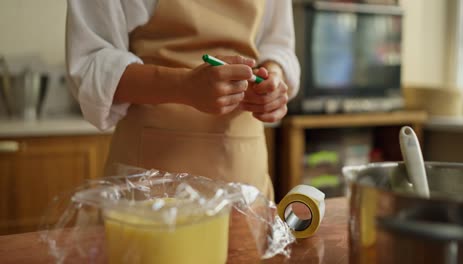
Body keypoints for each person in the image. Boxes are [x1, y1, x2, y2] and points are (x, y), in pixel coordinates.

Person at [66, 0, 300, 200]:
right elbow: (90, 65)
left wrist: (274, 77)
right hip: (151, 182)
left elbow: (278, 44)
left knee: (247, 250)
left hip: (245, 176)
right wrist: (183, 86)